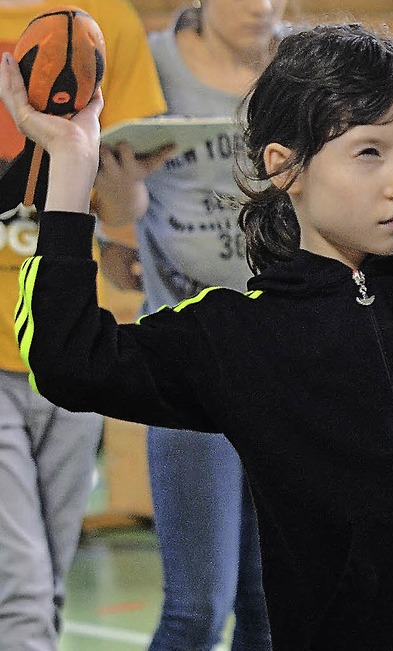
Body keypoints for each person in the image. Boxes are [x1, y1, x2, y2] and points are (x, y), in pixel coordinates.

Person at [3, 22, 393, 651]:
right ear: (286, 168)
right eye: (370, 152)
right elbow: (69, 358)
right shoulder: (241, 335)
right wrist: (72, 165)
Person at [92, 1, 291, 648]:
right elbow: (100, 199)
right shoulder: (152, 66)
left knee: (270, 607)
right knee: (198, 608)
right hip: (188, 364)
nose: (260, 7)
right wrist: (116, 223)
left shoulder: (300, 65)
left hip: (285, 361)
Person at [0, 1, 166, 648]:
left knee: (49, 579)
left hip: (63, 339)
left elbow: (118, 199)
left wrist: (125, 194)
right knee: (22, 584)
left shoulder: (107, 22)